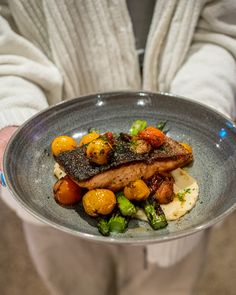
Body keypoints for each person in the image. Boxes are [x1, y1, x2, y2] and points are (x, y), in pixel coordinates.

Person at [0, 0, 236, 294]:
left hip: (177, 237)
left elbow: (219, 32)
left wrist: (200, 111)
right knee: (73, 283)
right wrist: (13, 120)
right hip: (52, 205)